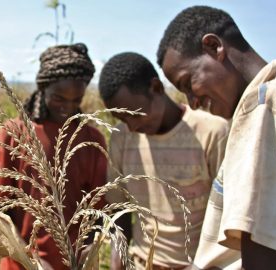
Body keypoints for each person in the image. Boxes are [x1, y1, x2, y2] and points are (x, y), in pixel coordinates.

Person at [157, 5, 276, 270]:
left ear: (214, 47)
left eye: (189, 83)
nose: (193, 103)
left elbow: (266, 259)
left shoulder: (267, 104)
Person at [98, 52, 229, 270]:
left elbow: (230, 214)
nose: (133, 127)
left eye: (136, 114)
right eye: (123, 119)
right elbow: (119, 212)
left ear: (156, 88)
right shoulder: (122, 138)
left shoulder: (212, 132)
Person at [0, 43, 107, 270]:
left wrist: (88, 251)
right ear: (42, 89)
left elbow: (96, 209)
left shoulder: (91, 139)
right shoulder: (13, 133)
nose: (67, 108)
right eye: (59, 98)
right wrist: (29, 259)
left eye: (76, 100)